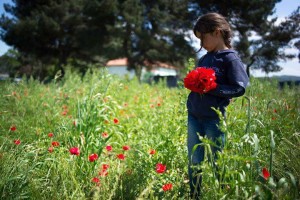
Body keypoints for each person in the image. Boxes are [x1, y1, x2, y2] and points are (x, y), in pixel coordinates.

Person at [187, 13, 249, 199]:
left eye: (202, 38)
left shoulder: (230, 59)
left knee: (217, 160)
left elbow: (239, 88)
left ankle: (221, 194)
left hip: (214, 119)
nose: (201, 44)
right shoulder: (204, 59)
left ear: (216, 32)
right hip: (194, 116)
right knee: (194, 160)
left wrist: (213, 88)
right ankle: (194, 195)